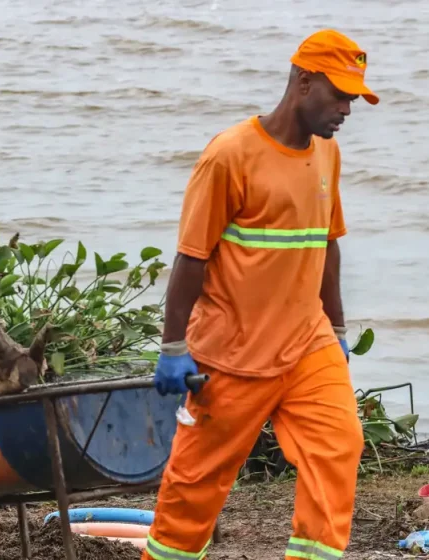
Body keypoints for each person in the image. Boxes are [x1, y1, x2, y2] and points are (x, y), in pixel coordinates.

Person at [144, 29, 378, 560]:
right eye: (338, 93)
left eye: (353, 98)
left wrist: (337, 329)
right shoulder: (230, 155)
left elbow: (327, 244)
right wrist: (174, 346)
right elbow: (191, 257)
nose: (346, 108)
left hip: (306, 345)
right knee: (193, 492)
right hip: (233, 354)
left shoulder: (327, 153)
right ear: (302, 81)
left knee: (339, 447)